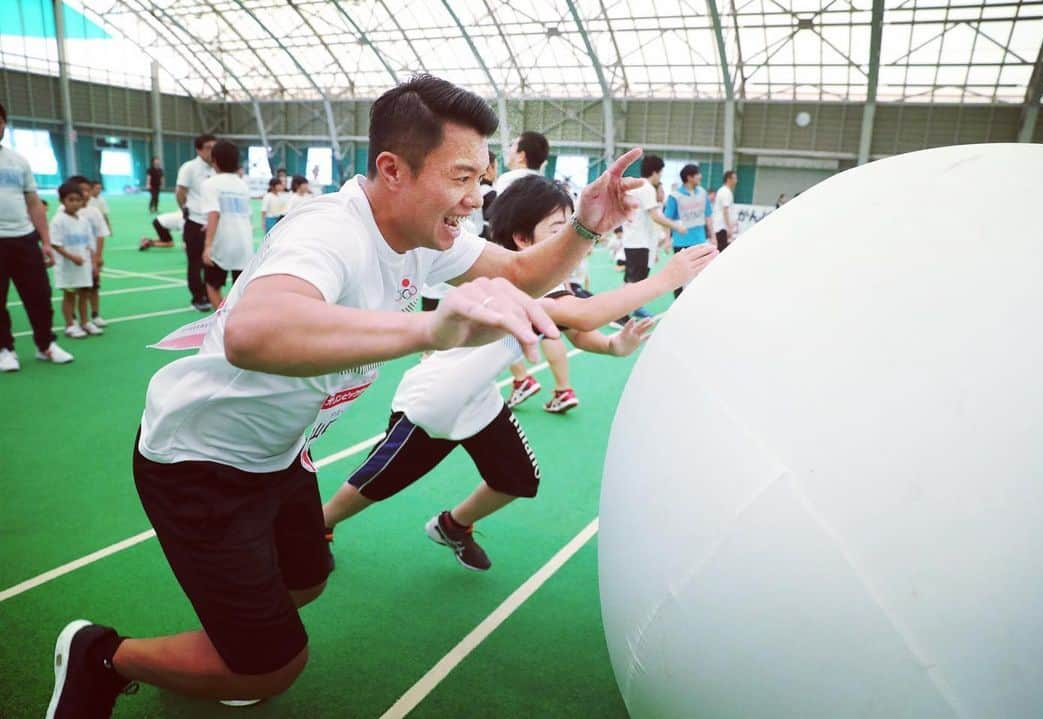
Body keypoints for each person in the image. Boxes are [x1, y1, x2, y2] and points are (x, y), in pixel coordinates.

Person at [45, 74, 646, 718]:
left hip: (280, 453)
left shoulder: (421, 233)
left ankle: (223, 650)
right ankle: (102, 655)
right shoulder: (330, 232)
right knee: (276, 665)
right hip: (200, 462)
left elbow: (524, 273)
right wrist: (428, 327)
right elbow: (254, 331)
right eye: (462, 177)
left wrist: (586, 225)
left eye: (482, 178)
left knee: (306, 578)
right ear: (393, 169)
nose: (476, 199)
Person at [321, 175, 716, 571]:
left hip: (479, 399)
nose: (574, 241)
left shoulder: (553, 283)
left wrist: (614, 345)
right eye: (560, 231)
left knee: (516, 479)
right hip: (437, 400)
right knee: (375, 483)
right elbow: (581, 313)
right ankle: (319, 525)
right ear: (524, 241)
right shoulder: (517, 283)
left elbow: (576, 330)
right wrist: (667, 279)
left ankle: (452, 525)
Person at [494, 130, 575, 413]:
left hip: (514, 264)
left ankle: (521, 379)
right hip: (548, 266)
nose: (508, 150)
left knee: (497, 323)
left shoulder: (506, 181)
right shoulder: (545, 186)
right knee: (551, 327)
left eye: (512, 145)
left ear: (521, 155)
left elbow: (498, 225)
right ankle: (563, 389)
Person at [0, 103, 74, 370]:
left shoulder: (18, 161)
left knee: (39, 295)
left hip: (24, 237)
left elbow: (33, 203)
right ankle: (4, 349)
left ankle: (45, 345)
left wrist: (45, 240)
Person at [620, 155, 686, 317]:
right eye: (661, 173)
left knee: (633, 279)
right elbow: (656, 216)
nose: (660, 177)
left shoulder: (636, 186)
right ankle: (620, 314)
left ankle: (634, 307)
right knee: (634, 282)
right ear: (655, 172)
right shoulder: (647, 187)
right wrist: (676, 226)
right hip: (639, 242)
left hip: (634, 240)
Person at [200, 141, 254, 309]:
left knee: (212, 286)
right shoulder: (242, 185)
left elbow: (214, 213)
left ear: (214, 160)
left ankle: (222, 324)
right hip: (244, 243)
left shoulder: (210, 184)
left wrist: (208, 245)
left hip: (222, 244)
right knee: (240, 291)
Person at [50, 181, 99, 338]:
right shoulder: (58, 220)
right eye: (71, 200)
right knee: (69, 295)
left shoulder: (84, 221)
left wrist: (93, 262)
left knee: (84, 294)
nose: (75, 203)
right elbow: (55, 244)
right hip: (67, 267)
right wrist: (72, 257)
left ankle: (85, 322)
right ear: (62, 201)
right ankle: (70, 324)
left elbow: (90, 243)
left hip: (83, 265)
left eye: (78, 200)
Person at [176, 133, 217, 312]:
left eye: (214, 147)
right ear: (198, 149)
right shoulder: (189, 167)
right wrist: (185, 208)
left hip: (212, 223)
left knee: (211, 261)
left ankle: (209, 294)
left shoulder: (217, 168)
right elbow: (180, 190)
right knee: (194, 262)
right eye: (208, 147)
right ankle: (197, 297)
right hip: (194, 221)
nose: (212, 151)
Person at [664, 163, 713, 298]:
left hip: (700, 240)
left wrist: (712, 236)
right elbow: (667, 220)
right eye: (697, 174)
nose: (700, 176)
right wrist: (667, 239)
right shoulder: (675, 196)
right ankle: (677, 305)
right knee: (680, 277)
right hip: (681, 242)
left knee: (700, 275)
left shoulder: (703, 193)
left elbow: (708, 216)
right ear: (689, 177)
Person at [68, 175, 110, 329]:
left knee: (93, 287)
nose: (85, 193)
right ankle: (72, 319)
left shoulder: (94, 211)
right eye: (81, 190)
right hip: (73, 258)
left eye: (87, 190)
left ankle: (94, 315)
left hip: (90, 257)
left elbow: (100, 235)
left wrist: (98, 256)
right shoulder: (65, 211)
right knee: (72, 290)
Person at [714, 170, 737, 250]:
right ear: (728, 179)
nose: (736, 181)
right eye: (734, 178)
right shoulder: (725, 192)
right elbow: (725, 210)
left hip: (722, 227)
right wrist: (729, 228)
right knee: (721, 251)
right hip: (722, 228)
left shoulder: (725, 191)